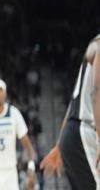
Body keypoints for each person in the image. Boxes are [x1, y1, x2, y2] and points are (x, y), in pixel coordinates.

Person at [40, 34, 100, 190]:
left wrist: (59, 144)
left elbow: (73, 104)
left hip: (77, 132)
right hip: (85, 132)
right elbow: (96, 93)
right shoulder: (98, 45)